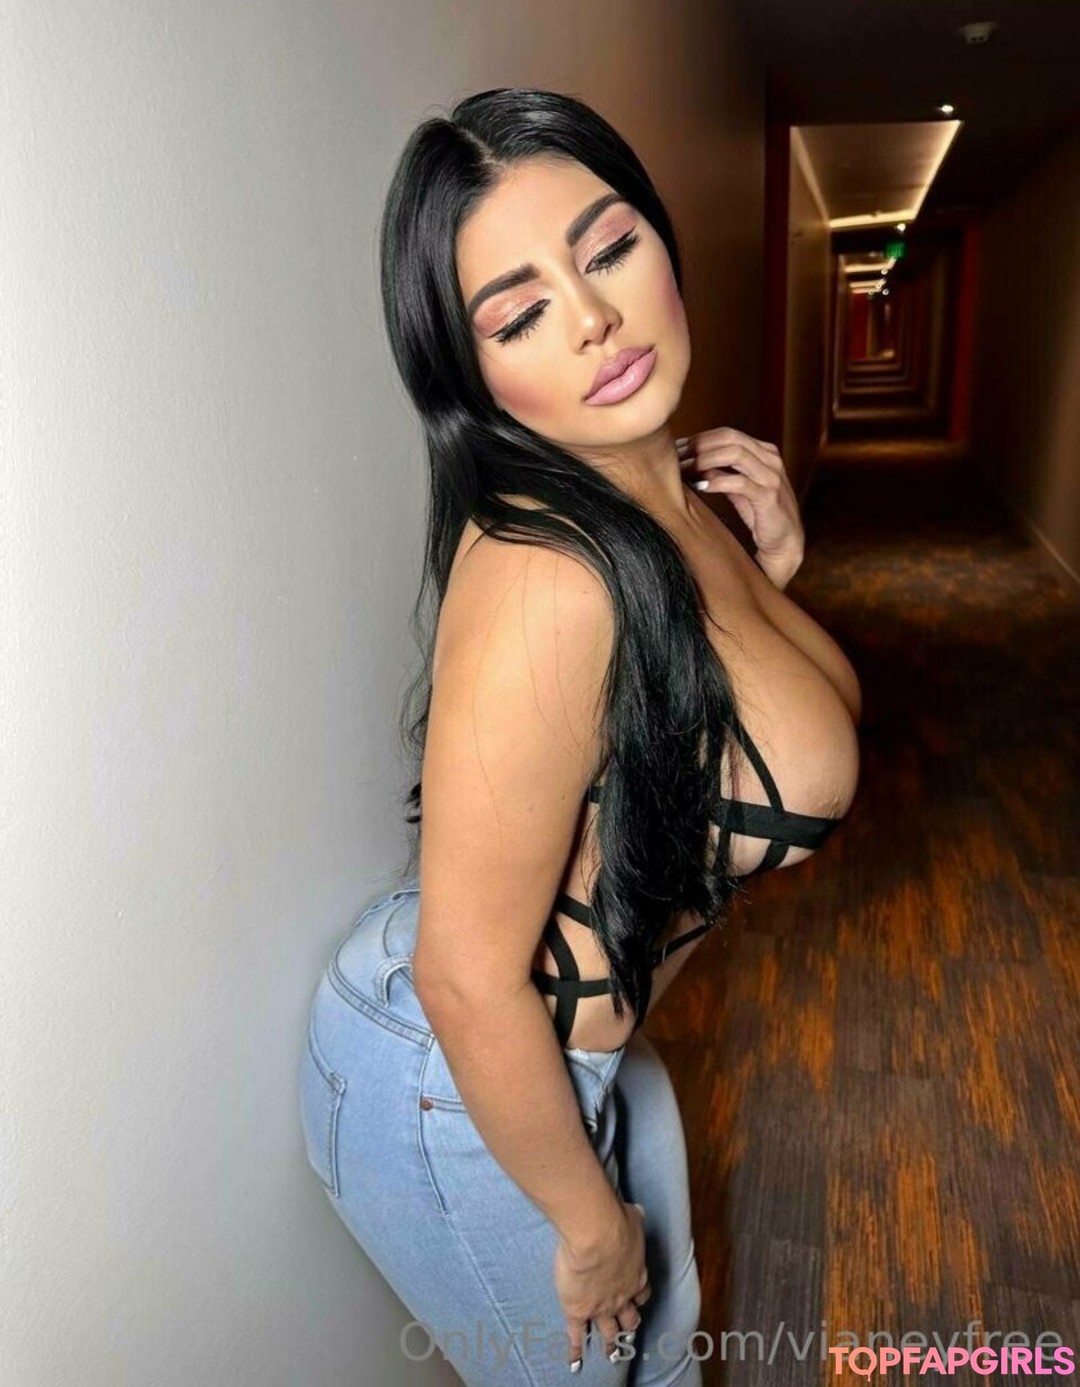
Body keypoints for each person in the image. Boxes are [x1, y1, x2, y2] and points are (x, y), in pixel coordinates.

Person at [299, 87, 862, 1386]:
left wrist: (774, 573)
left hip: (553, 1029)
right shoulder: (550, 577)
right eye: (520, 314)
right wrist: (591, 1226)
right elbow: (464, 975)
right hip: (462, 1062)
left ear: (661, 239)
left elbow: (752, 724)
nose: (593, 318)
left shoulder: (667, 495)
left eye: (606, 249)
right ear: (473, 377)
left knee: (669, 1357)